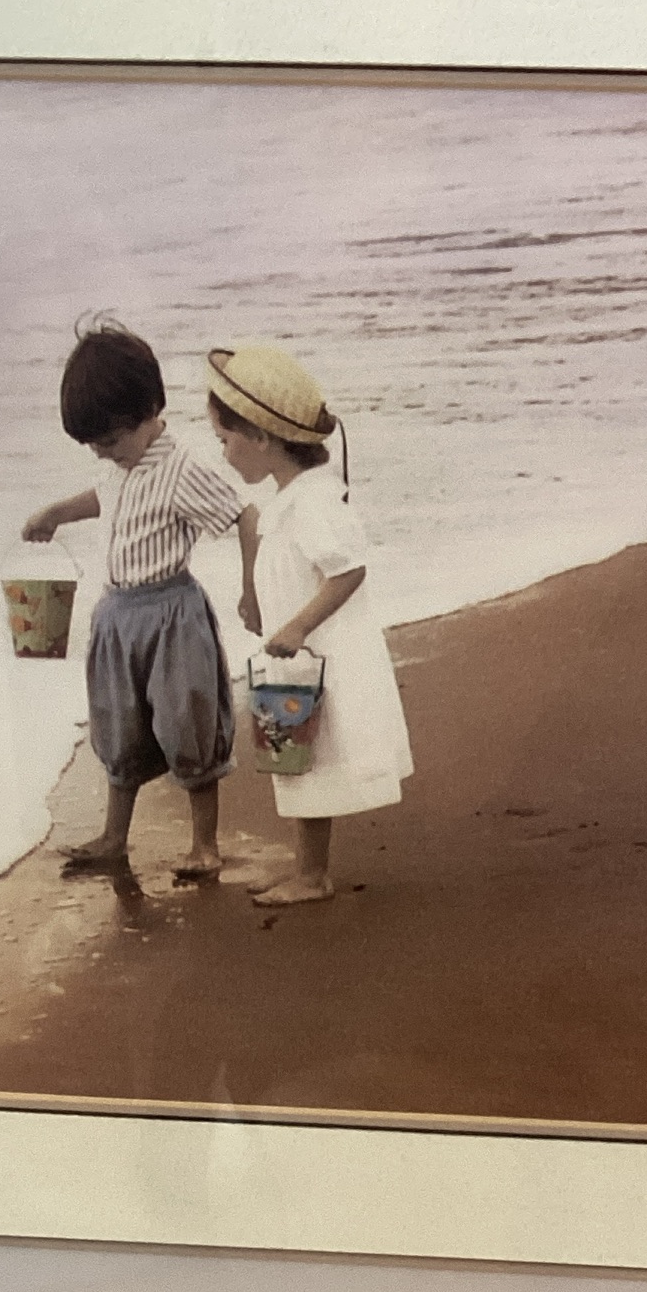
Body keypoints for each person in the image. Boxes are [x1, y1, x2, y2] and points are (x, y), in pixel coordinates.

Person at [23, 321, 260, 881]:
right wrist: (55, 514)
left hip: (171, 616)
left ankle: (204, 845)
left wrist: (252, 589)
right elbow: (102, 498)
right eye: (94, 446)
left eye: (111, 441)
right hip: (117, 616)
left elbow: (245, 515)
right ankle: (114, 837)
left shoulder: (181, 469)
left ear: (151, 410)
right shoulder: (123, 465)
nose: (103, 454)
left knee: (188, 723)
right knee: (117, 724)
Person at [206, 343, 413, 906]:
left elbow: (348, 570)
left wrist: (296, 627)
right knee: (296, 760)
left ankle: (313, 876)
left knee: (306, 761)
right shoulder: (294, 495)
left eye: (224, 440)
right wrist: (254, 598)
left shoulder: (314, 502)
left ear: (260, 437)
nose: (223, 453)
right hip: (298, 657)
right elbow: (285, 561)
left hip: (317, 655)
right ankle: (308, 868)